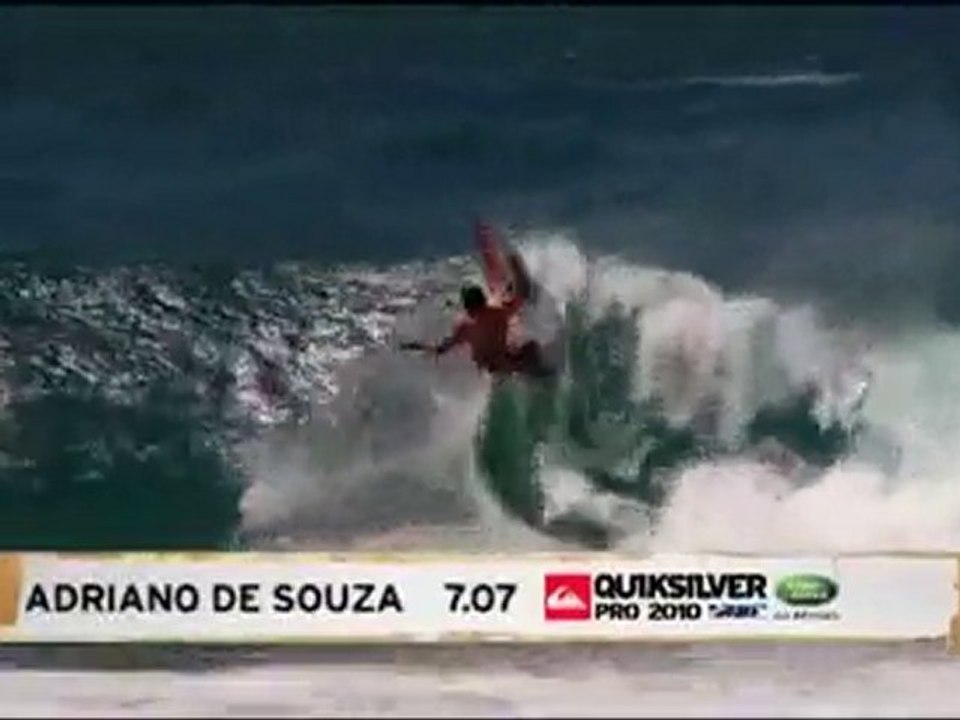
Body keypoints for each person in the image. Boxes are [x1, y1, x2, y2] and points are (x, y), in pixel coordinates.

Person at [403, 251, 552, 378]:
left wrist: (416, 346)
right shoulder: (498, 312)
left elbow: (441, 349)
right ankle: (543, 374)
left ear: (468, 307)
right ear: (482, 301)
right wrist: (516, 267)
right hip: (506, 363)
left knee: (511, 346)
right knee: (531, 347)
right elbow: (521, 297)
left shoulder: (464, 326)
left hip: (489, 370)